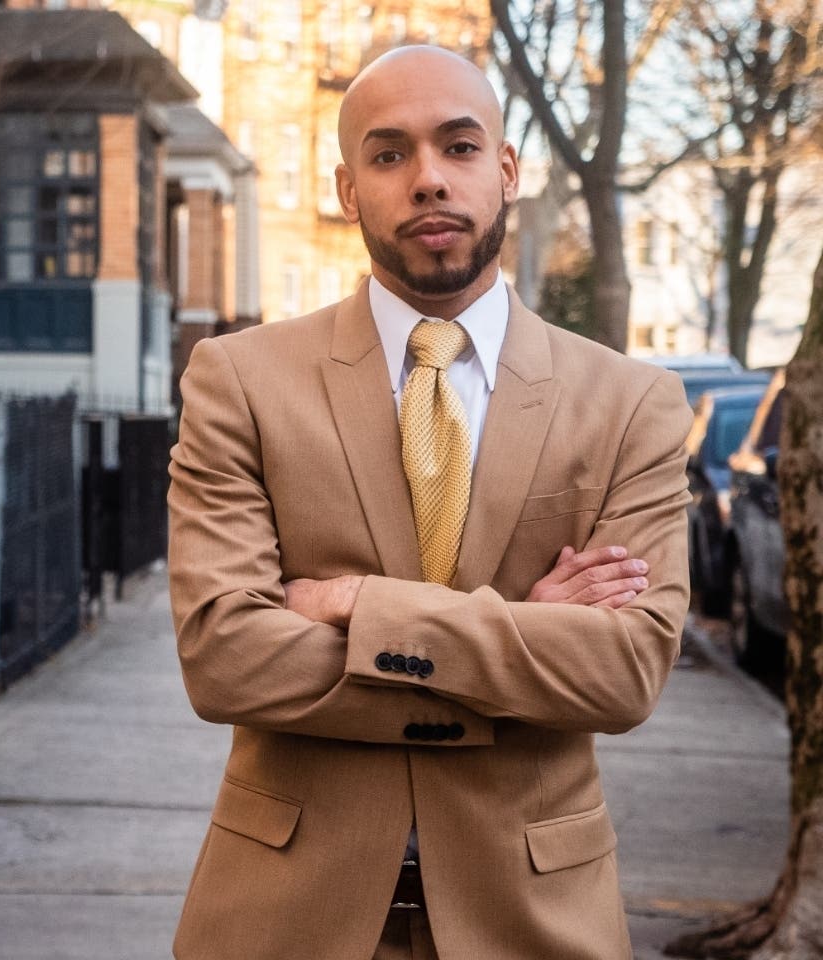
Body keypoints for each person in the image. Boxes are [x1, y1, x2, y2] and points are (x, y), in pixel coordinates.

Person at [167, 44, 692, 960]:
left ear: (508, 168)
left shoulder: (629, 402)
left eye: (457, 146)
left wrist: (355, 607)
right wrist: (524, 635)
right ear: (347, 188)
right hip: (285, 915)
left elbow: (625, 670)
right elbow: (224, 657)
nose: (426, 181)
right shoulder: (239, 381)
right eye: (388, 154)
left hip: (536, 919)